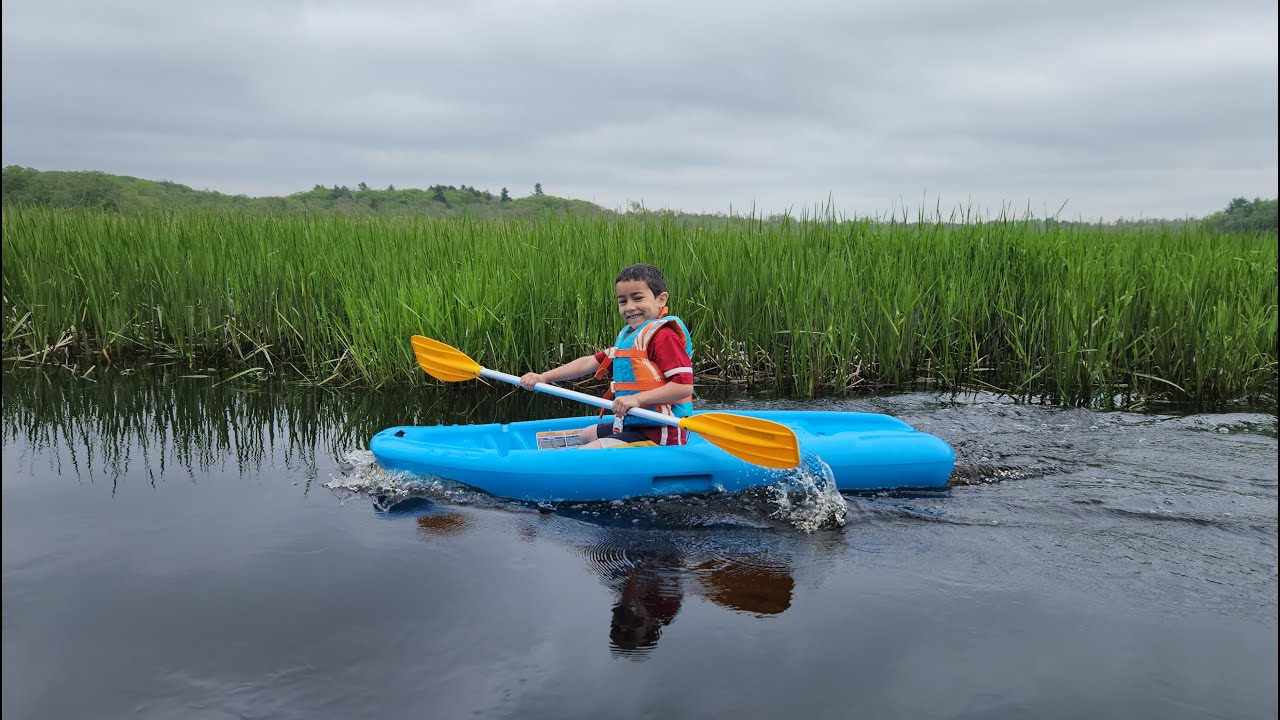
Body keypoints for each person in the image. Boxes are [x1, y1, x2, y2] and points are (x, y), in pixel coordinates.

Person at [519, 263, 694, 448]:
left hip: (663, 432)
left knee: (589, 450)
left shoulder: (664, 336)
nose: (630, 307)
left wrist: (636, 399)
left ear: (661, 299)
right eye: (623, 301)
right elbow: (588, 363)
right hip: (635, 424)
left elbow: (683, 387)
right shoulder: (630, 336)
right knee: (587, 434)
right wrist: (544, 377)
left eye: (637, 298)